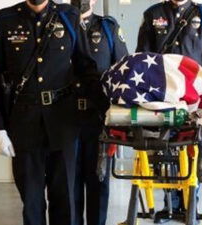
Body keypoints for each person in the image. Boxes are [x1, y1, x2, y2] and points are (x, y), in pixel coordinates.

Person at [0, 1, 96, 225]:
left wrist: (103, 110)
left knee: (65, 199)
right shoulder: (4, 20)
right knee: (32, 201)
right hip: (23, 122)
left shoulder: (69, 16)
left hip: (63, 120)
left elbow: (87, 69)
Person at [136, 0, 202, 222]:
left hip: (195, 100)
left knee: (194, 152)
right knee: (165, 153)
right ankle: (169, 206)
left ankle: (190, 204)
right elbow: (142, 59)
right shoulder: (152, 14)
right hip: (164, 99)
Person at [70, 0, 128, 225]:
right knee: (68, 183)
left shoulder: (107, 28)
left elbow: (123, 70)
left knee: (98, 181)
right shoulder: (57, 25)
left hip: (98, 118)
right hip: (66, 118)